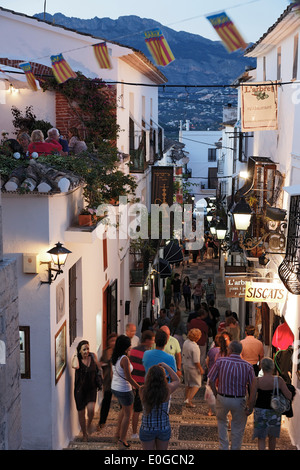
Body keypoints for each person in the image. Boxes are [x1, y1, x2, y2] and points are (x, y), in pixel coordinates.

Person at [208, 340, 255, 450]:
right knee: (238, 428)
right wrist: (250, 405)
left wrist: (216, 394)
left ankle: (223, 447)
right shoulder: (248, 366)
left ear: (231, 350)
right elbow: (253, 388)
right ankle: (235, 448)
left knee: (222, 423)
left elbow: (211, 380)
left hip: (223, 397)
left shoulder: (221, 361)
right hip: (239, 400)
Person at [246, 357, 292, 450]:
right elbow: (289, 396)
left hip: (260, 411)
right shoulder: (278, 380)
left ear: (261, 367)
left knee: (261, 437)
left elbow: (252, 398)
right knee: (272, 437)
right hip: (275, 412)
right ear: (273, 367)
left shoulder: (257, 380)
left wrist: (249, 409)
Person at [139, 362, 180, 450]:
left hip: (147, 427)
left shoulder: (142, 390)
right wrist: (166, 366)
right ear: (163, 377)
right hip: (163, 427)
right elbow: (177, 380)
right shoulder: (167, 389)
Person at [111, 335, 140, 448]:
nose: (131, 347)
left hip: (116, 387)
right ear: (124, 347)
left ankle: (118, 434)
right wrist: (139, 387)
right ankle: (123, 440)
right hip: (124, 390)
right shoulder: (124, 359)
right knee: (128, 415)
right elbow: (129, 377)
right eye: (129, 345)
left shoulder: (115, 356)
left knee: (123, 411)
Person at [71, 340, 102, 441]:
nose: (86, 351)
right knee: (81, 413)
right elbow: (75, 366)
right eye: (84, 349)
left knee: (91, 411)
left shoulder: (93, 356)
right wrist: (76, 355)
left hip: (91, 389)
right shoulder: (77, 360)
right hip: (80, 390)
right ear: (79, 351)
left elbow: (98, 368)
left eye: (87, 348)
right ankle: (84, 434)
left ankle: (89, 425)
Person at [129, 330, 155, 439]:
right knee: (139, 410)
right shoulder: (148, 353)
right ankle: (135, 432)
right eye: (153, 340)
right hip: (142, 385)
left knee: (129, 410)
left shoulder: (132, 351)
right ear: (148, 340)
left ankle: (130, 432)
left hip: (131, 384)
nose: (153, 342)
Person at [97, 333, 117, 430]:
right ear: (108, 342)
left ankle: (123, 421)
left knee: (122, 402)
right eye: (111, 341)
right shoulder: (105, 352)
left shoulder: (119, 352)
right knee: (106, 401)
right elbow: (101, 363)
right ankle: (102, 422)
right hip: (108, 380)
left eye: (115, 340)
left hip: (117, 380)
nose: (113, 343)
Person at [182, 329, 204, 408]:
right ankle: (189, 400)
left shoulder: (186, 342)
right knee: (197, 384)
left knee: (188, 383)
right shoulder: (195, 347)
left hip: (185, 365)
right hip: (193, 367)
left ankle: (186, 399)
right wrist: (201, 369)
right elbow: (196, 361)